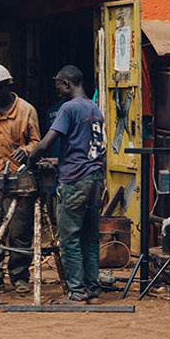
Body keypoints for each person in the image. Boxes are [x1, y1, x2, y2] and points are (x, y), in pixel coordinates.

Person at [28, 65, 105, 304]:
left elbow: (46, 143)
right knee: (90, 237)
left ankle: (76, 292)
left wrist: (32, 159)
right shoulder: (94, 109)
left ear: (68, 84)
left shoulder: (68, 108)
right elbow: (82, 148)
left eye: (59, 86)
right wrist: (57, 160)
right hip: (94, 178)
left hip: (75, 181)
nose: (58, 91)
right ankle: (92, 287)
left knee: (70, 239)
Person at [0, 64, 40, 293]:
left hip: (20, 176)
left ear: (8, 86)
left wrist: (26, 150)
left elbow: (37, 142)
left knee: (20, 230)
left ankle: (19, 275)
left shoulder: (26, 110)